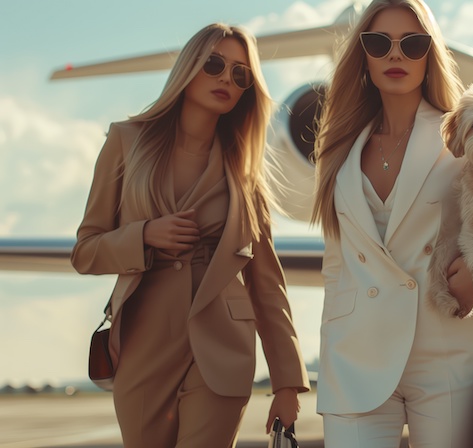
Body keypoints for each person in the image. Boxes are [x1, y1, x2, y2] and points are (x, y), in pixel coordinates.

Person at [270, 1, 473, 447]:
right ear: (363, 56)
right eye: (379, 43)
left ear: (430, 53)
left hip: (448, 355)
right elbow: (337, 268)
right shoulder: (338, 150)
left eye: (412, 44)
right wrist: (321, 371)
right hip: (357, 361)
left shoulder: (463, 136)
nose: (396, 54)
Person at [70, 23, 310, 448]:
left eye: (240, 75)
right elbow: (86, 251)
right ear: (188, 67)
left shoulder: (246, 173)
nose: (226, 79)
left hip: (223, 351)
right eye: (215, 64)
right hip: (145, 345)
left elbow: (267, 284)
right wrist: (144, 235)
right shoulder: (126, 141)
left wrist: (287, 383)